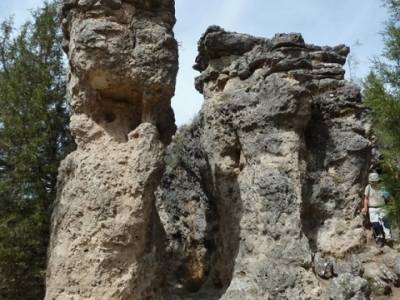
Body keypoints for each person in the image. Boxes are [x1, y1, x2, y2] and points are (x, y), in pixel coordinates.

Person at [362, 172, 392, 247]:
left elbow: (388, 197)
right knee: (375, 224)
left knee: (385, 221)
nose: (373, 183)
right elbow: (366, 198)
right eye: (372, 181)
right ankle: (379, 237)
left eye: (375, 181)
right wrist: (365, 207)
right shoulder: (368, 187)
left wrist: (392, 205)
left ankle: (388, 237)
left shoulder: (382, 187)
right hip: (372, 208)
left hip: (382, 207)